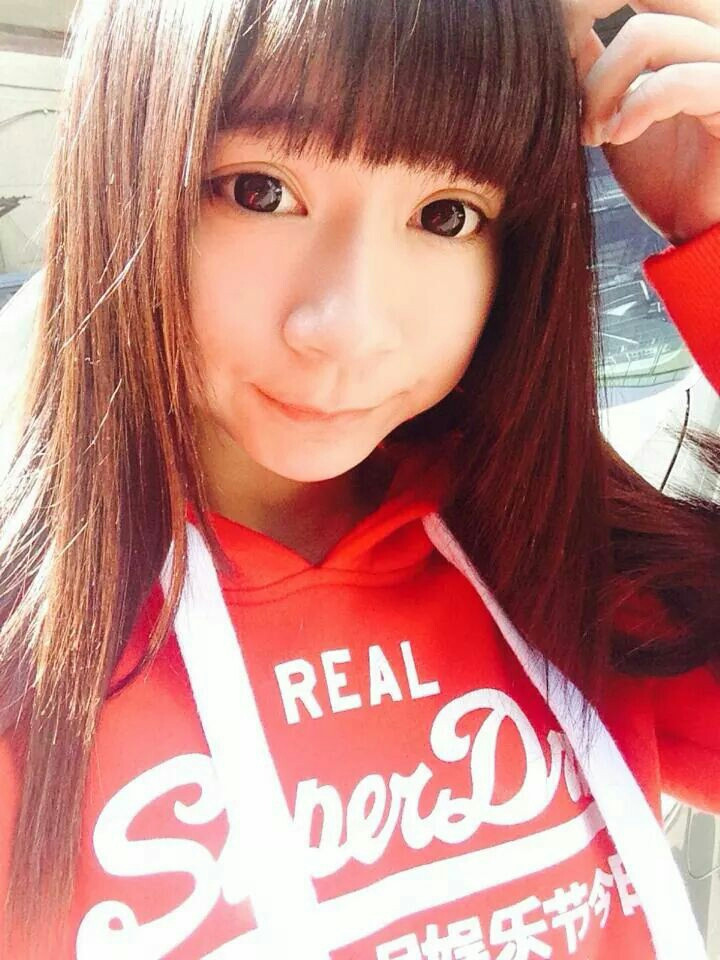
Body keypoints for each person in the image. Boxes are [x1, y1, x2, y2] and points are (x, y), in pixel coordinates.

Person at [0, 0, 718, 957]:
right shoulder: (30, 661)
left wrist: (713, 228)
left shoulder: (564, 564)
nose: (347, 327)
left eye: (446, 215)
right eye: (259, 191)